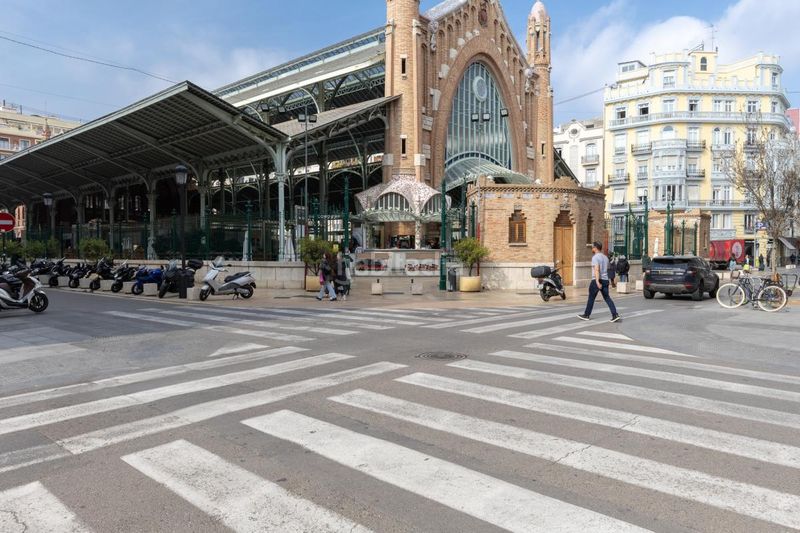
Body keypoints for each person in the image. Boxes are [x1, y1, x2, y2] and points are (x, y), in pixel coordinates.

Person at [577, 241, 620, 322]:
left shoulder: (595, 257)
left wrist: (597, 282)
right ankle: (615, 315)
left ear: (595, 248)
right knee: (607, 298)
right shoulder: (605, 258)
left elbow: (597, 269)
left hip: (597, 280)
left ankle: (586, 315)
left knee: (591, 298)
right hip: (605, 279)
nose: (592, 248)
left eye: (592, 247)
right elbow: (607, 268)